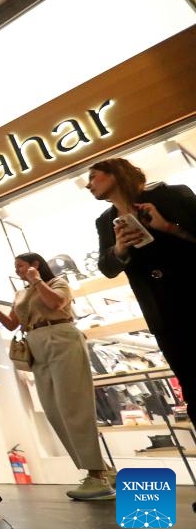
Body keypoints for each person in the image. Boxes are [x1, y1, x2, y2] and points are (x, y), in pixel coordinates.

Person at [0, 253, 114, 500]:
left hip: (61, 336)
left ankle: (97, 476)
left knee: (74, 405)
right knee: (54, 409)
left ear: (35, 265)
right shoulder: (20, 295)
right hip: (36, 345)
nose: (18, 270)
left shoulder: (57, 283)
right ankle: (102, 469)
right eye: (16, 267)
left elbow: (56, 304)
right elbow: (12, 324)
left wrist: (37, 281)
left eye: (21, 265)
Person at [87, 158, 196, 422]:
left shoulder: (170, 194)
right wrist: (119, 249)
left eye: (93, 176)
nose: (88, 185)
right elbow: (108, 267)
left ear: (114, 173)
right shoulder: (106, 222)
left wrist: (168, 227)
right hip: (162, 311)